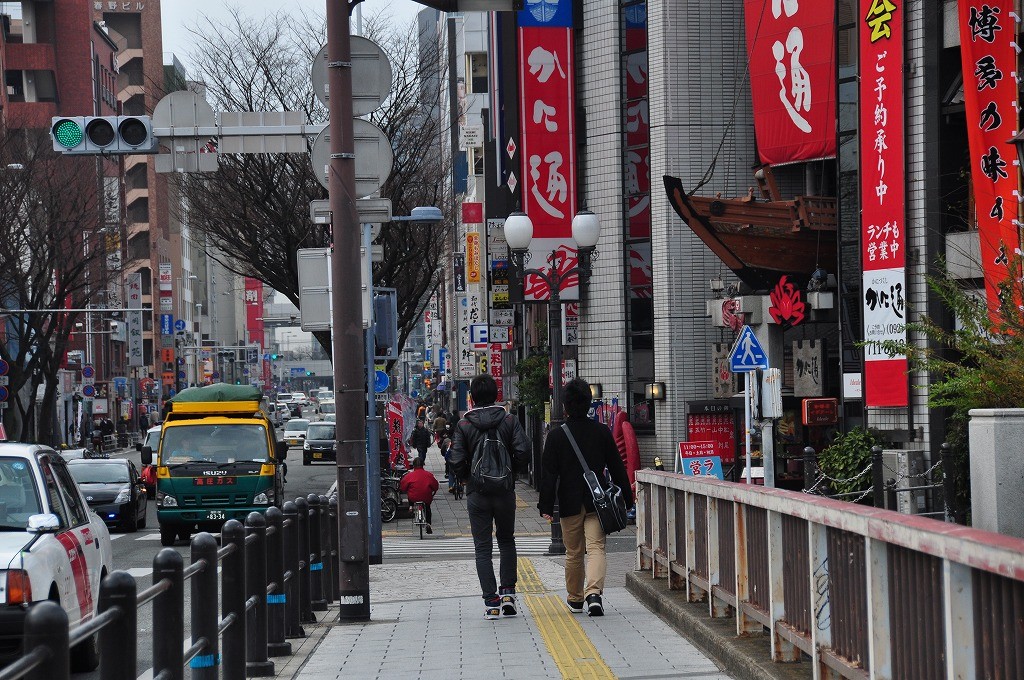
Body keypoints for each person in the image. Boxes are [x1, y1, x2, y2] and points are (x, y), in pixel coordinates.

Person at [539, 378, 633, 617]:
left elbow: (549, 473)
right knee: (597, 547)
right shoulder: (601, 432)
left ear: (566, 406)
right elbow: (617, 466)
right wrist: (628, 497)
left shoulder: (557, 436)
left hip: (569, 503)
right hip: (598, 501)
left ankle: (575, 598)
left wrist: (546, 505)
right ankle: (594, 594)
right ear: (589, 404)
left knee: (573, 552)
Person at [450, 374, 531, 620]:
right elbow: (523, 451)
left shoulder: (464, 425)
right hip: (504, 491)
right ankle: (508, 594)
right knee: (507, 540)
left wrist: (467, 479)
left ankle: (491, 602)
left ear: (472, 398)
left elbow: (455, 459)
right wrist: (512, 473)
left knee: (482, 547)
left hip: (478, 493)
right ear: (496, 395)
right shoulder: (509, 420)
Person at [399, 457, 439, 534]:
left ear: (413, 465)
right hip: (426, 497)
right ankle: (428, 524)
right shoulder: (428, 475)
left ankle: (411, 506)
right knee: (427, 507)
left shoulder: (409, 476)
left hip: (413, 497)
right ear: (422, 465)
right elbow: (435, 486)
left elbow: (403, 487)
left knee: (410, 493)